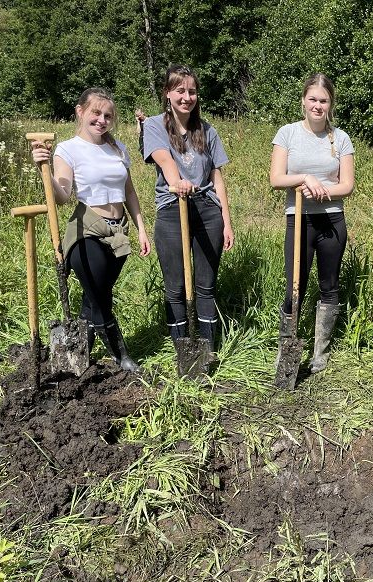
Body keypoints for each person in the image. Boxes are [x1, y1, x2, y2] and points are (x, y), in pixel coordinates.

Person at [30, 87, 151, 372]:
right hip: (86, 231)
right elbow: (61, 195)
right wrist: (44, 169)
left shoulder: (117, 148)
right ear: (80, 111)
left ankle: (74, 356)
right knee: (100, 295)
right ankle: (121, 357)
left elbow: (129, 192)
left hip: (117, 232)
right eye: (95, 112)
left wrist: (142, 228)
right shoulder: (68, 149)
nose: (102, 119)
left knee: (93, 297)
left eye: (108, 115)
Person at [142, 64, 234, 350]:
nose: (187, 97)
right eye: (180, 90)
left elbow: (217, 179)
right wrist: (178, 182)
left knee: (205, 286)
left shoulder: (207, 130)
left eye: (191, 91)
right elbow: (165, 160)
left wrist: (227, 220)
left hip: (207, 211)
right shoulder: (154, 126)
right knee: (176, 287)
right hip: (172, 208)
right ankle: (182, 347)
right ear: (168, 93)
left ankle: (206, 348)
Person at [269, 73, 355, 373]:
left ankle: (321, 352)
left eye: (324, 100)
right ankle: (287, 348)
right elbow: (276, 178)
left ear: (330, 104)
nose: (318, 105)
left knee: (329, 284)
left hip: (331, 220)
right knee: (295, 286)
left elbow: (347, 185)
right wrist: (305, 178)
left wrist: (322, 190)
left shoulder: (341, 138)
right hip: (299, 219)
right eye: (313, 99)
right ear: (304, 100)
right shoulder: (287, 134)